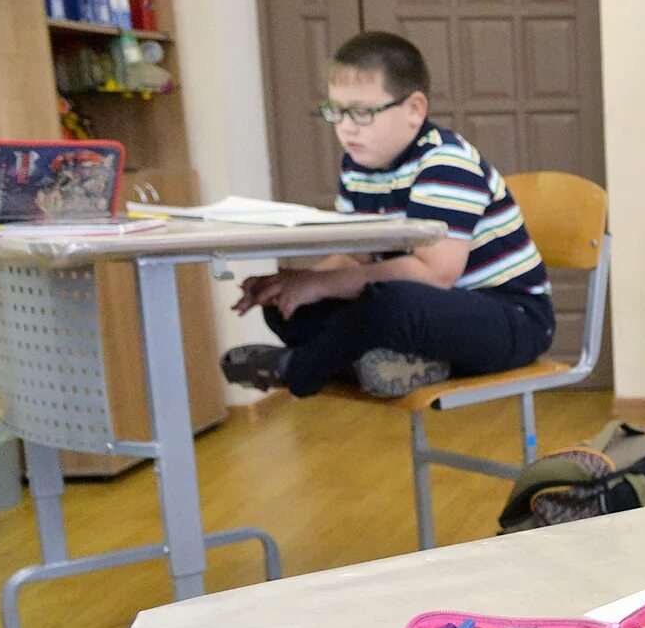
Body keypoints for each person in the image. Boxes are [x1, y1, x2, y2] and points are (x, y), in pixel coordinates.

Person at [219, 31, 556, 398]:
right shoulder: (358, 165)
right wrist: (300, 282)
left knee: (394, 302)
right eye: (337, 111)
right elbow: (355, 256)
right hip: (425, 319)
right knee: (287, 306)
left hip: (511, 319)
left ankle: (301, 370)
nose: (347, 127)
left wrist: (319, 285)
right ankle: (397, 365)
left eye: (363, 113)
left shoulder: (446, 162)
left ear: (414, 109)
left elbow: (435, 274)